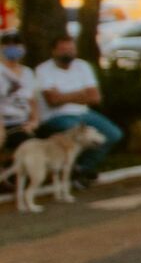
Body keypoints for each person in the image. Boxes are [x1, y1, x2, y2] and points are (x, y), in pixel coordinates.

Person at [32, 34, 122, 185]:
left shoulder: (83, 66)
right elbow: (53, 100)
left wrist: (64, 95)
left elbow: (95, 97)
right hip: (57, 116)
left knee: (113, 134)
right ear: (53, 51)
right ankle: (69, 170)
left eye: (71, 49)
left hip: (83, 113)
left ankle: (82, 168)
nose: (67, 53)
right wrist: (80, 93)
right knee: (73, 132)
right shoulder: (43, 70)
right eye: (63, 49)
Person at [2, 32, 39, 152]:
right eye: (8, 45)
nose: (12, 48)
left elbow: (33, 102)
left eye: (16, 45)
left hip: (21, 124)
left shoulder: (28, 73)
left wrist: (33, 122)